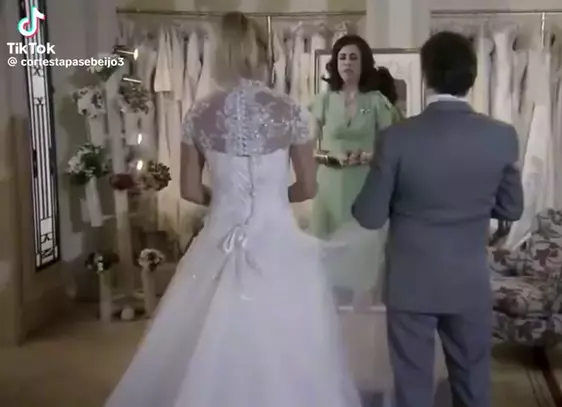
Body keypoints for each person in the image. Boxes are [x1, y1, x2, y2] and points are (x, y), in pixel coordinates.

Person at [105, 13, 362, 407]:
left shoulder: (199, 113)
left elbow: (191, 190)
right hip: (277, 241)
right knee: (287, 338)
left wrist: (226, 200)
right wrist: (273, 199)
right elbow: (308, 186)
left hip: (219, 238)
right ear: (260, 53)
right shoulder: (290, 111)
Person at [352, 31, 524, 407]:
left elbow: (368, 216)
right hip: (467, 280)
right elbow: (512, 209)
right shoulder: (501, 136)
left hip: (410, 283)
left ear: (426, 74)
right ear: (472, 76)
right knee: (473, 385)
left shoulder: (396, 138)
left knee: (412, 388)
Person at [309, 34, 398, 307]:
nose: (347, 62)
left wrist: (369, 155)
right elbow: (305, 149)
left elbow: (392, 147)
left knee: (363, 261)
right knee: (326, 262)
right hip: (327, 189)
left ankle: (362, 322)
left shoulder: (377, 102)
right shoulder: (323, 101)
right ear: (335, 63)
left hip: (363, 187)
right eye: (343, 57)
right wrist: (329, 156)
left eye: (353, 57)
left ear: (363, 64)